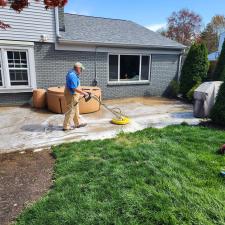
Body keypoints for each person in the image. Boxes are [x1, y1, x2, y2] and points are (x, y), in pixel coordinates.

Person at [63, 62, 89, 131]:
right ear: (77, 68)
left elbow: (76, 86)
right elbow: (74, 88)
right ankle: (66, 126)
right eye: (81, 69)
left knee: (76, 108)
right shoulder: (72, 75)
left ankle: (77, 123)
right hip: (72, 94)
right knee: (71, 110)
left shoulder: (73, 73)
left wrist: (81, 90)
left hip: (74, 94)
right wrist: (84, 93)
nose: (81, 71)